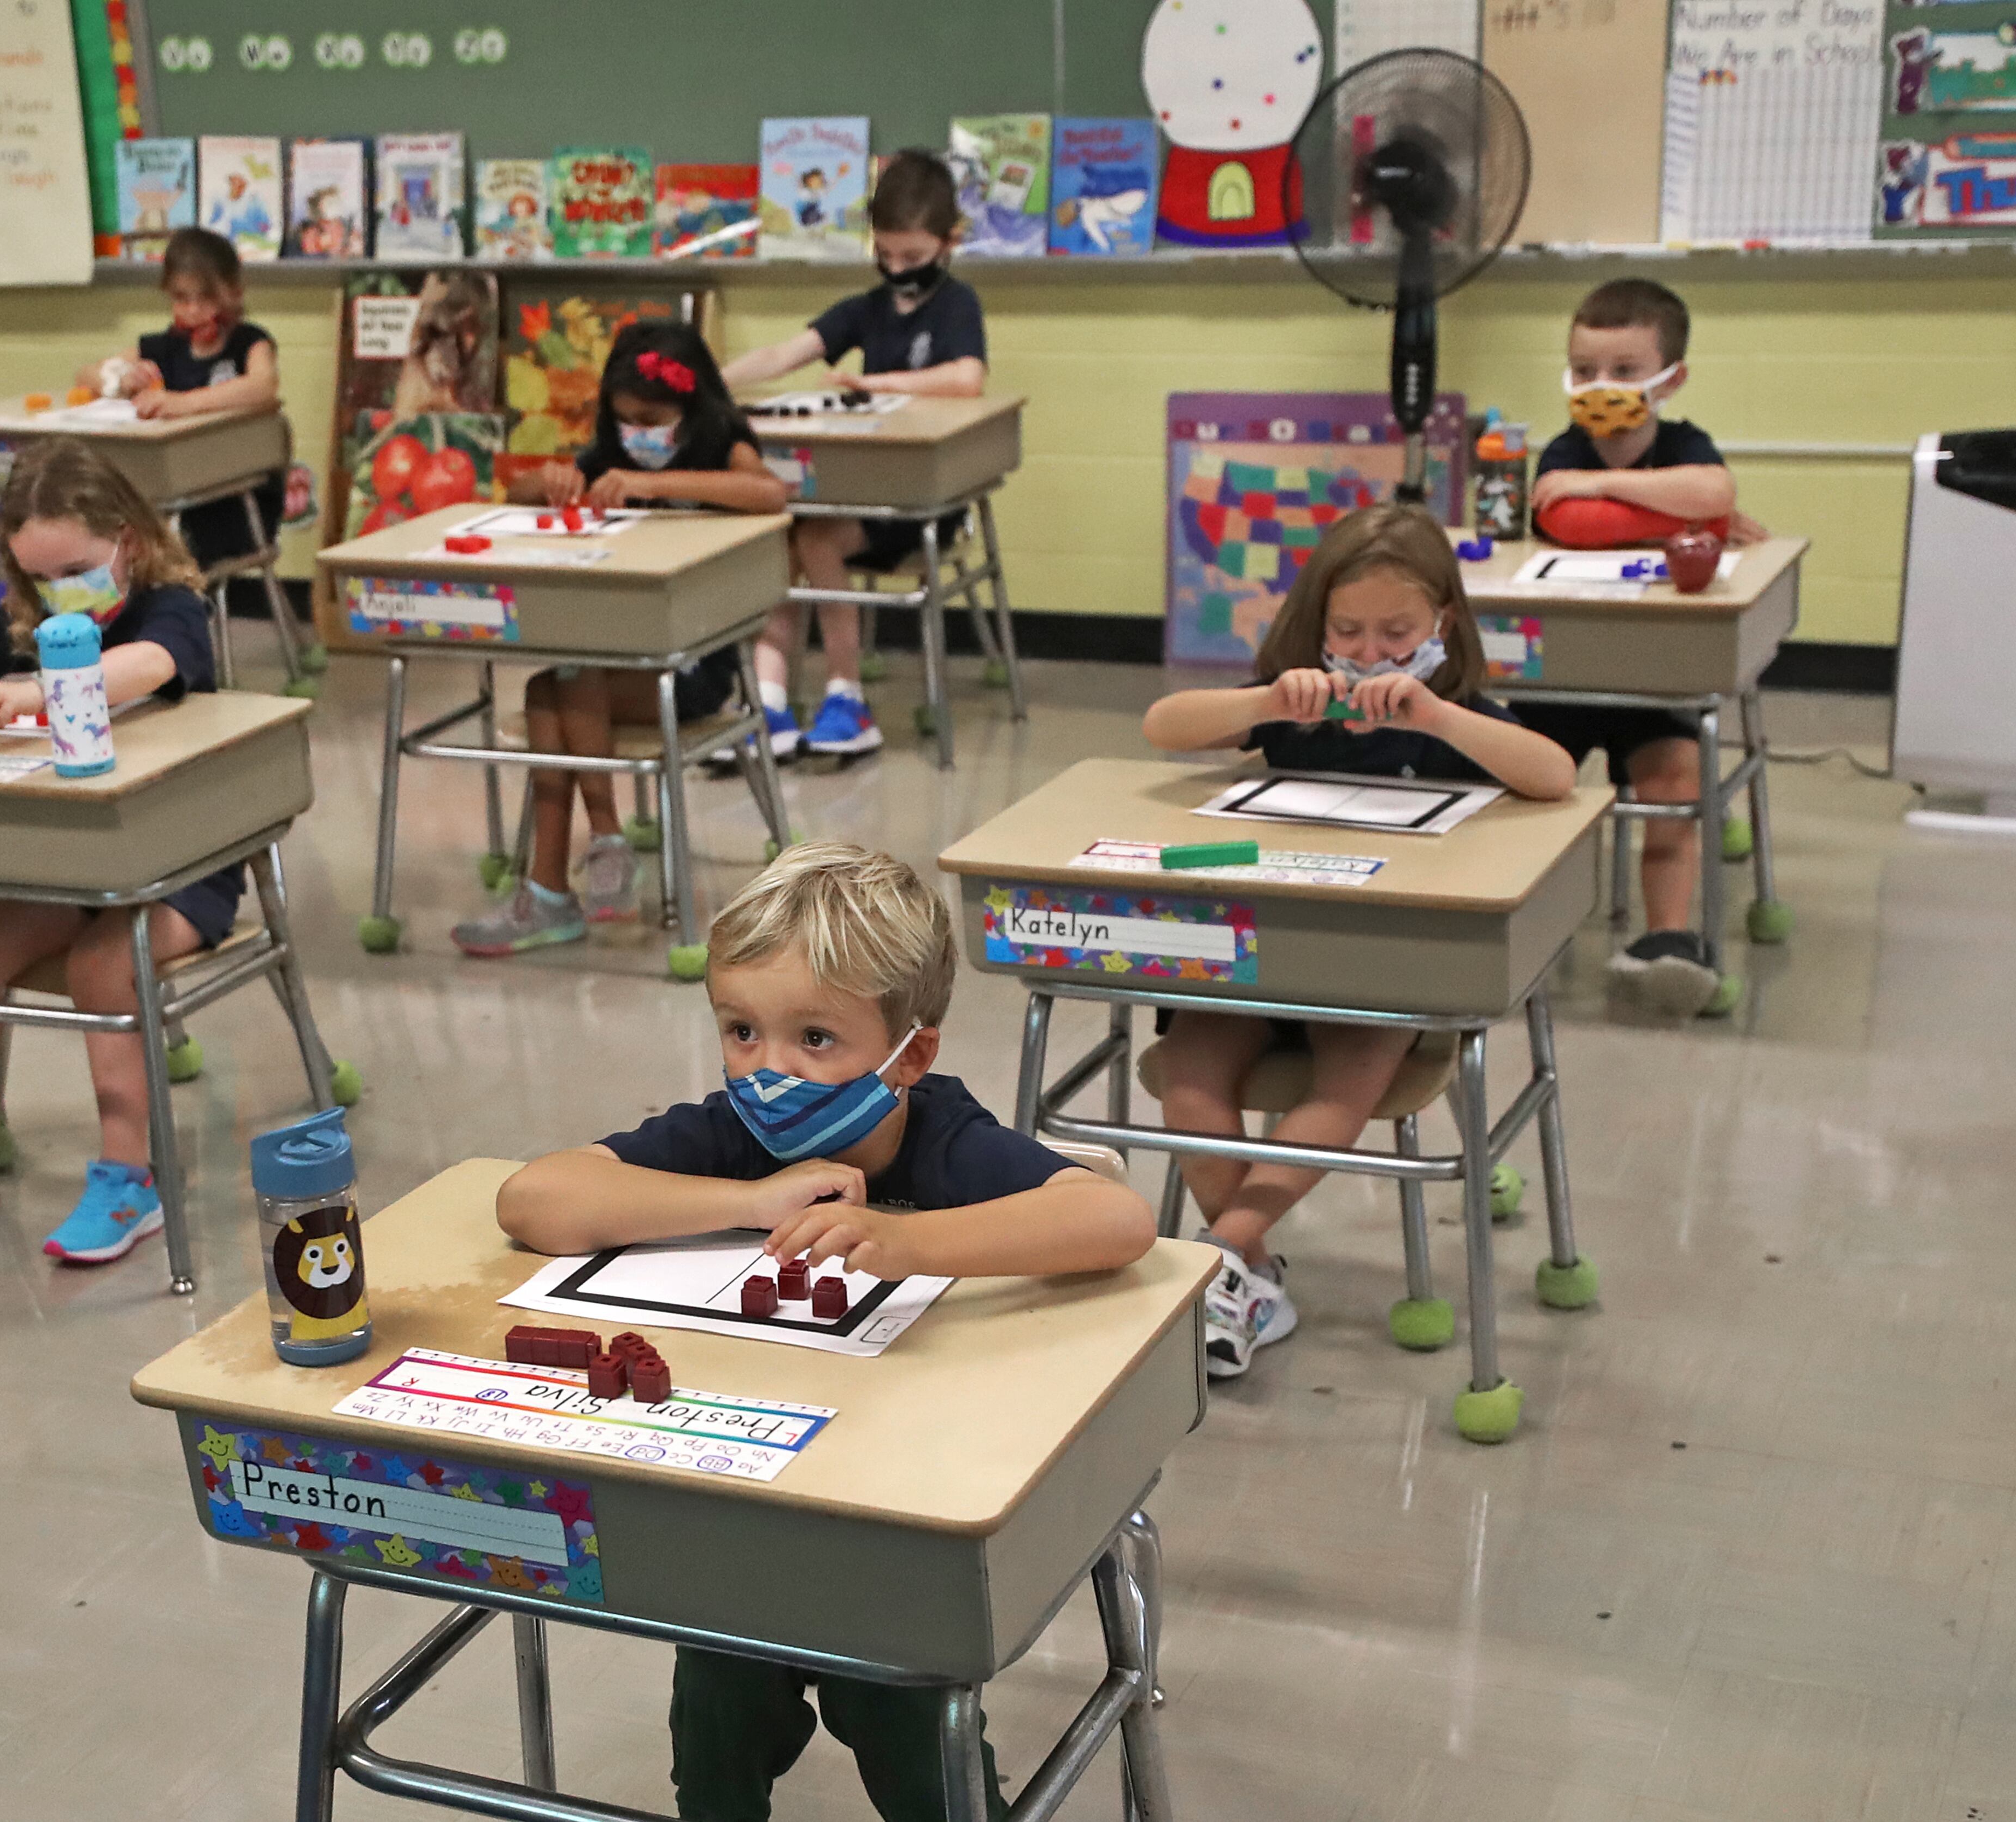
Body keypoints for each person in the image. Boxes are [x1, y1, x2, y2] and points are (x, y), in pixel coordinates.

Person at [499, 842, 1154, 1822]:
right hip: (745, 1502)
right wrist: (746, 1197)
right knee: (715, 1707)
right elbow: (534, 1197)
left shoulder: (943, 1137)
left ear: (913, 1053)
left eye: (815, 1038)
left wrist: (903, 1237)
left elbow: (1117, 1221)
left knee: (902, 1720)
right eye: (741, 1031)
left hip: (909, 1521)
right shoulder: (736, 1133)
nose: (769, 1071)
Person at [1138, 504, 1575, 1377]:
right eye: (1348, 630)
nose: (1371, 652)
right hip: (1263, 952)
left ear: (1441, 626)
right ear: (1318, 625)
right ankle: (1246, 1270)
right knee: (1188, 1073)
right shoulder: (1298, 707)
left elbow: (1555, 774)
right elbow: (1163, 727)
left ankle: (1215, 1257)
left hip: (1380, 969)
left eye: (1397, 632)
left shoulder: (1460, 715)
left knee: (1352, 1074)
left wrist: (1438, 718)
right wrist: (1269, 698)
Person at [0, 440, 238, 1266]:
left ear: (127, 542)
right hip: (80, 865)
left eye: (76, 568)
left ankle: (130, 1177)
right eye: (39, 578)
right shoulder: (34, 619)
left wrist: (48, 687)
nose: (60, 592)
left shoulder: (167, 607)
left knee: (104, 965)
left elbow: (152, 665)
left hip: (182, 864)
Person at [453, 322, 787, 957]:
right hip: (618, 663)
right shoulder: (613, 456)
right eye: (625, 420)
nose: (639, 434)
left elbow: (768, 493)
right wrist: (548, 480)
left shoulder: (722, 444)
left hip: (697, 667)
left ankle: (566, 878)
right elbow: (517, 494)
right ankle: (570, 871)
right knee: (550, 688)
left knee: (560, 687)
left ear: (691, 411)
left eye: (653, 420)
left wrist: (654, 486)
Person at [723, 151, 988, 760]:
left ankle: (847, 698)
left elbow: (966, 377)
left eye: (913, 259)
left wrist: (882, 384)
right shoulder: (865, 309)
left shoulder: (956, 306)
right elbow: (784, 355)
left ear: (948, 244)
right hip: (857, 492)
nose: (896, 270)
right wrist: (708, 382)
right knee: (781, 539)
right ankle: (767, 703)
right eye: (885, 255)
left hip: (920, 501)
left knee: (816, 540)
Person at [1526, 277, 1737, 1016]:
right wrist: (1675, 519)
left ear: (1668, 379)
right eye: (1584, 371)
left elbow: (1714, 493)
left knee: (1676, 778)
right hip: (1553, 680)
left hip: (1654, 680)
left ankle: (1669, 943)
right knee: (1511, 782)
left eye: (1621, 372)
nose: (1599, 388)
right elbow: (1568, 524)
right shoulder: (1562, 448)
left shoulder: (1685, 444)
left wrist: (1597, 496)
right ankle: (1514, 927)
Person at [86, 227, 285, 621]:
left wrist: (181, 404)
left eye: (205, 298)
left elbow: (263, 387)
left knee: (166, 549)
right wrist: (119, 379)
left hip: (229, 504)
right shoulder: (163, 348)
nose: (192, 311)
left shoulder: (250, 343)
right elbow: (86, 375)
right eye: (180, 298)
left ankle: (170, 632)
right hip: (165, 503)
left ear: (233, 291)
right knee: (109, 532)